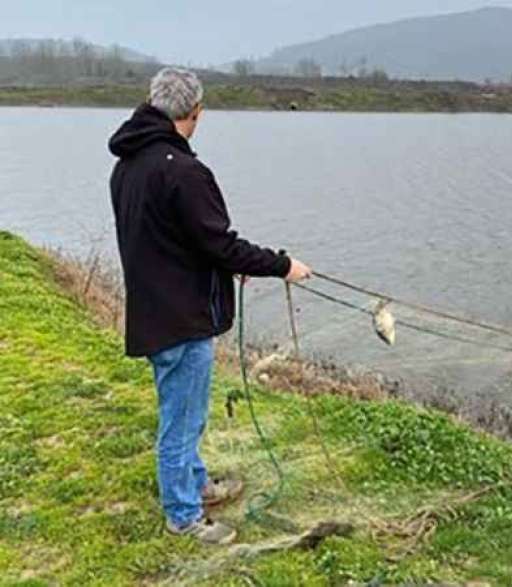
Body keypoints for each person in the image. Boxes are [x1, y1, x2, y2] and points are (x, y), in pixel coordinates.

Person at [108, 67, 312, 545]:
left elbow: (174, 239)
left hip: (157, 310)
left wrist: (220, 264)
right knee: (180, 421)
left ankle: (197, 484)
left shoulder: (128, 165)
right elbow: (219, 243)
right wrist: (282, 266)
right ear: (194, 113)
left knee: (184, 411)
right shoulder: (183, 170)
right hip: (181, 319)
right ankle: (183, 514)